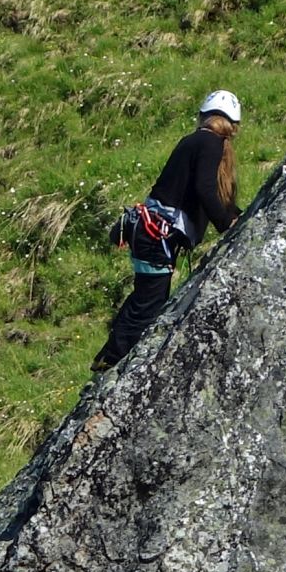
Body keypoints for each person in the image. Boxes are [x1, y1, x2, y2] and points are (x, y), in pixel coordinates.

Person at [91, 89, 242, 371]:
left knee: (146, 296)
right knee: (150, 301)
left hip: (148, 231)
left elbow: (200, 192)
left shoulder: (195, 141)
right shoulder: (211, 144)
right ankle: (113, 360)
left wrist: (233, 214)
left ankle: (110, 355)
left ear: (203, 117)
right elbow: (205, 190)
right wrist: (226, 225)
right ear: (233, 126)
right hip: (156, 234)